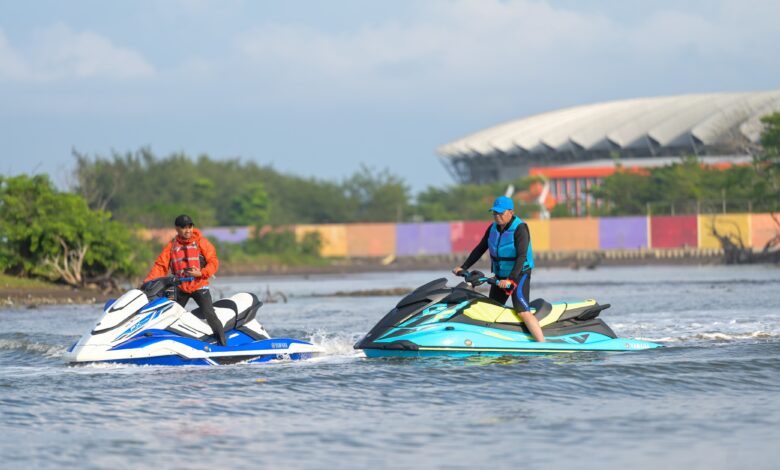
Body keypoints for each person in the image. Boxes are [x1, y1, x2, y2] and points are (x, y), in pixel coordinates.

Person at [452, 196, 545, 342]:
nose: (497, 216)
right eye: (495, 213)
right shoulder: (492, 228)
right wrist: (463, 267)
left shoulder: (520, 228)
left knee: (522, 311)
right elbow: (480, 249)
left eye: (501, 213)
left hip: (519, 275)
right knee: (491, 309)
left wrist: (510, 279)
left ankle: (542, 343)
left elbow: (521, 257)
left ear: (511, 212)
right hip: (500, 276)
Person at [144, 214, 226, 346]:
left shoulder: (202, 242)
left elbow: (213, 261)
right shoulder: (171, 246)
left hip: (199, 286)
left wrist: (201, 272)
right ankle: (164, 344)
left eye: (190, 226)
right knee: (168, 314)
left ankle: (223, 345)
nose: (188, 230)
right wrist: (147, 283)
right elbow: (160, 266)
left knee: (210, 315)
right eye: (183, 227)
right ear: (177, 229)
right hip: (180, 287)